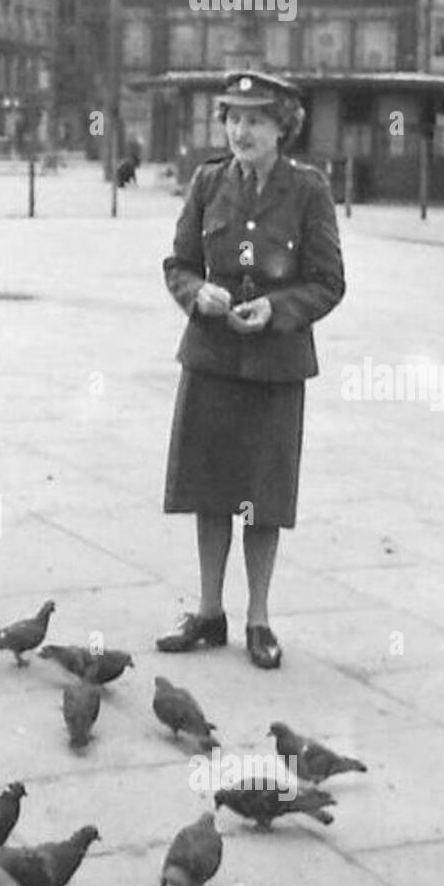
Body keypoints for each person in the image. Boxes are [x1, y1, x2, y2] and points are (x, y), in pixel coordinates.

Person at [156, 71, 345, 669]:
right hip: (211, 359)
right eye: (233, 118)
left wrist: (278, 309)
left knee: (262, 496)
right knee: (210, 491)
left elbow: (329, 282)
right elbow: (178, 263)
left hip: (275, 366)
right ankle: (209, 613)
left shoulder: (308, 190)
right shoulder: (208, 182)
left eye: (256, 119)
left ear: (282, 126)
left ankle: (257, 618)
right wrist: (197, 295)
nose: (241, 130)